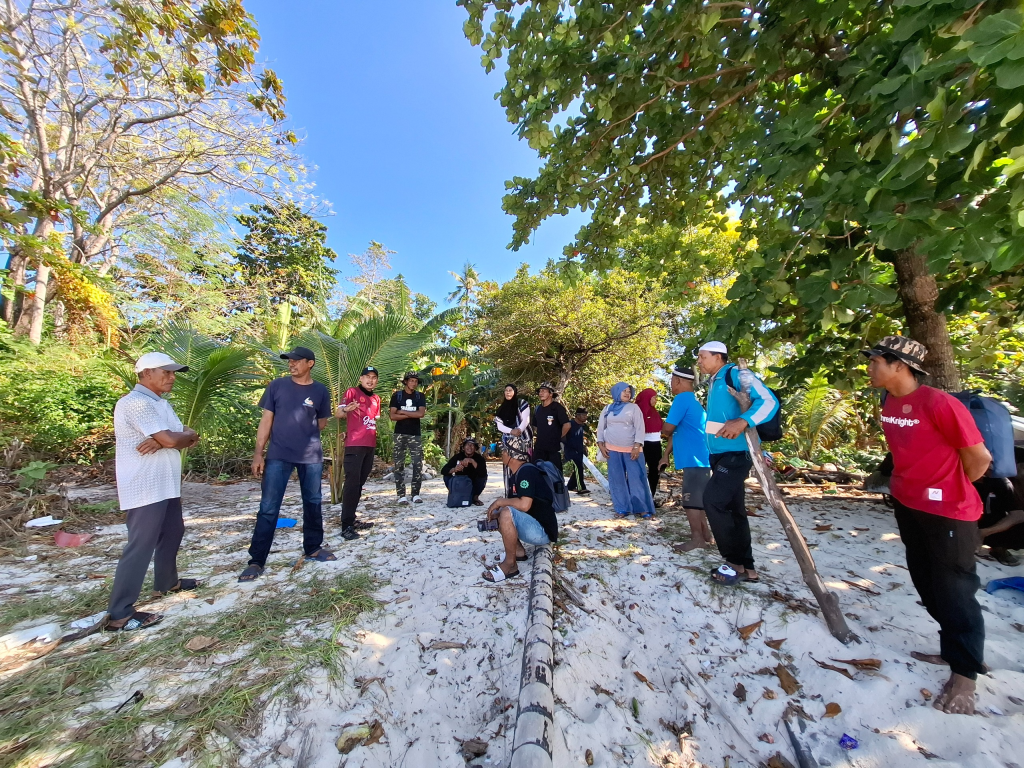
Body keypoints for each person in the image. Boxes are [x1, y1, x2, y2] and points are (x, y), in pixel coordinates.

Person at [864, 335, 991, 716]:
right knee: (926, 581)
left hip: (949, 511)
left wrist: (949, 486)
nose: (869, 368)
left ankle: (965, 673)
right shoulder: (888, 401)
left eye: (875, 361)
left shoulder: (940, 403)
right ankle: (955, 650)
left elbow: (979, 458)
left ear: (899, 365)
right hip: (908, 504)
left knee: (956, 588)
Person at [106, 352, 200, 631]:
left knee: (174, 531)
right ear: (147, 373)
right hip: (144, 485)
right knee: (141, 544)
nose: (172, 378)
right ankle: (120, 613)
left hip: (165, 483)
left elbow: (189, 434)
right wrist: (170, 440)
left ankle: (166, 583)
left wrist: (165, 441)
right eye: (166, 372)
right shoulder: (135, 403)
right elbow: (175, 438)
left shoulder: (160, 403)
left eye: (173, 373)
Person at [238, 347, 337, 582]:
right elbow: (266, 421)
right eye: (289, 361)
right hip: (278, 455)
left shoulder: (320, 390)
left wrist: (303, 433)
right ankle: (256, 560)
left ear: (310, 363)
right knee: (269, 507)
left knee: (313, 502)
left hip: (311, 456)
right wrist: (258, 453)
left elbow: (322, 422)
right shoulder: (277, 386)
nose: (291, 364)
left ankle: (313, 548)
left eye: (296, 361)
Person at [698, 341, 779, 586]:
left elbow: (769, 401)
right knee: (735, 510)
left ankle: (733, 563)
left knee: (712, 500)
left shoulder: (736, 374)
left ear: (718, 357)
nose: (699, 362)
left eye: (703, 357)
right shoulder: (714, 381)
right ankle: (748, 568)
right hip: (720, 454)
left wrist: (743, 421)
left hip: (737, 453)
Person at [482, 442, 558, 582]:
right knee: (501, 512)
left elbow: (524, 505)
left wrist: (500, 502)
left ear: (512, 455)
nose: (502, 454)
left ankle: (510, 565)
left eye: (504, 451)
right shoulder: (517, 474)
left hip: (542, 531)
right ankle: (518, 552)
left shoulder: (526, 472)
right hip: (534, 524)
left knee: (505, 512)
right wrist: (497, 518)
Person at [659, 366, 714, 551]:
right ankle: (706, 535)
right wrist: (666, 455)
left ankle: (697, 539)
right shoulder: (692, 401)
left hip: (694, 459)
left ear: (678, 381)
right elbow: (676, 432)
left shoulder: (681, 399)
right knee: (698, 499)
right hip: (699, 458)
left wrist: (661, 430)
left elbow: (668, 429)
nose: (671, 385)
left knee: (690, 501)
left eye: (671, 381)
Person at [336, 366, 382, 541]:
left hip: (369, 446)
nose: (371, 380)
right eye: (367, 376)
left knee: (359, 485)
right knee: (352, 485)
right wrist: (347, 409)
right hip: (354, 445)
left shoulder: (376, 399)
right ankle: (346, 526)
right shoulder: (352, 392)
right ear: (361, 378)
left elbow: (372, 420)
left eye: (374, 377)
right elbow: (338, 413)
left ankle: (352, 519)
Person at [597, 382, 656, 518]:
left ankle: (642, 508)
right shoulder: (607, 408)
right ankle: (622, 508)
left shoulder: (634, 408)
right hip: (612, 450)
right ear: (616, 392)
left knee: (637, 479)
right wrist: (601, 445)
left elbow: (640, 428)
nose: (627, 394)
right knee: (617, 480)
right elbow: (601, 428)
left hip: (632, 450)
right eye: (624, 391)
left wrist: (637, 446)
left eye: (629, 391)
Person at [389, 372, 427, 505]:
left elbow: (421, 414)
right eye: (411, 381)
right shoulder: (397, 396)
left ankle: (415, 494)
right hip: (400, 434)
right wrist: (412, 414)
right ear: (406, 381)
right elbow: (393, 416)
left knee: (417, 463)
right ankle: (401, 495)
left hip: (415, 434)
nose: (414, 383)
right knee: (399, 464)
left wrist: (403, 412)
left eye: (415, 381)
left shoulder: (420, 396)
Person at [975, 466, 1024, 566]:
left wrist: (984, 532)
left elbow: (1018, 515)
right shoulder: (959, 480)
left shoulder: (1000, 482)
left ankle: (999, 547)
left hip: (991, 525)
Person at [495, 383, 531, 493]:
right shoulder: (501, 409)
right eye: (506, 390)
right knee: (509, 467)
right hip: (508, 444)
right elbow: (499, 426)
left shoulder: (522, 403)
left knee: (524, 466)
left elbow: (526, 420)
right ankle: (510, 492)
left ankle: (526, 492)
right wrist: (511, 431)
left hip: (523, 442)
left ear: (515, 392)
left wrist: (519, 429)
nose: (508, 392)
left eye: (510, 390)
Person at [532, 381, 570, 472]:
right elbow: (535, 426)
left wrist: (558, 437)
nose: (541, 393)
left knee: (554, 474)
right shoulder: (538, 409)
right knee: (537, 473)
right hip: (539, 449)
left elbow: (567, 425)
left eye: (544, 391)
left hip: (553, 449)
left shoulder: (557, 408)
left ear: (550, 393)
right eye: (540, 391)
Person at [441, 437, 489, 505]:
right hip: (460, 484)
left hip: (473, 485)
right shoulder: (457, 457)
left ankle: (475, 497)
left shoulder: (479, 458)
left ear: (475, 448)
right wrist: (454, 469)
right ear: (463, 448)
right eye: (467, 445)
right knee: (446, 475)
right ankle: (454, 493)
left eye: (472, 445)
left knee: (483, 476)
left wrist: (472, 461)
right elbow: (443, 470)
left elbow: (483, 474)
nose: (469, 447)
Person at [636, 388, 664, 499]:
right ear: (647, 398)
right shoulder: (638, 411)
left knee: (655, 470)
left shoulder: (654, 412)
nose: (656, 400)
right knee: (638, 471)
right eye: (654, 398)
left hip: (655, 444)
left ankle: (649, 496)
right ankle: (637, 496)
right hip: (642, 443)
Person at [564, 407, 591, 495]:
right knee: (578, 467)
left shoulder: (581, 426)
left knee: (579, 468)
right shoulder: (570, 424)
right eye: (583, 415)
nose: (585, 417)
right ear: (577, 415)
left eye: (586, 415)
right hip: (571, 451)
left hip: (579, 451)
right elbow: (562, 436)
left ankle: (571, 486)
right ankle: (581, 488)